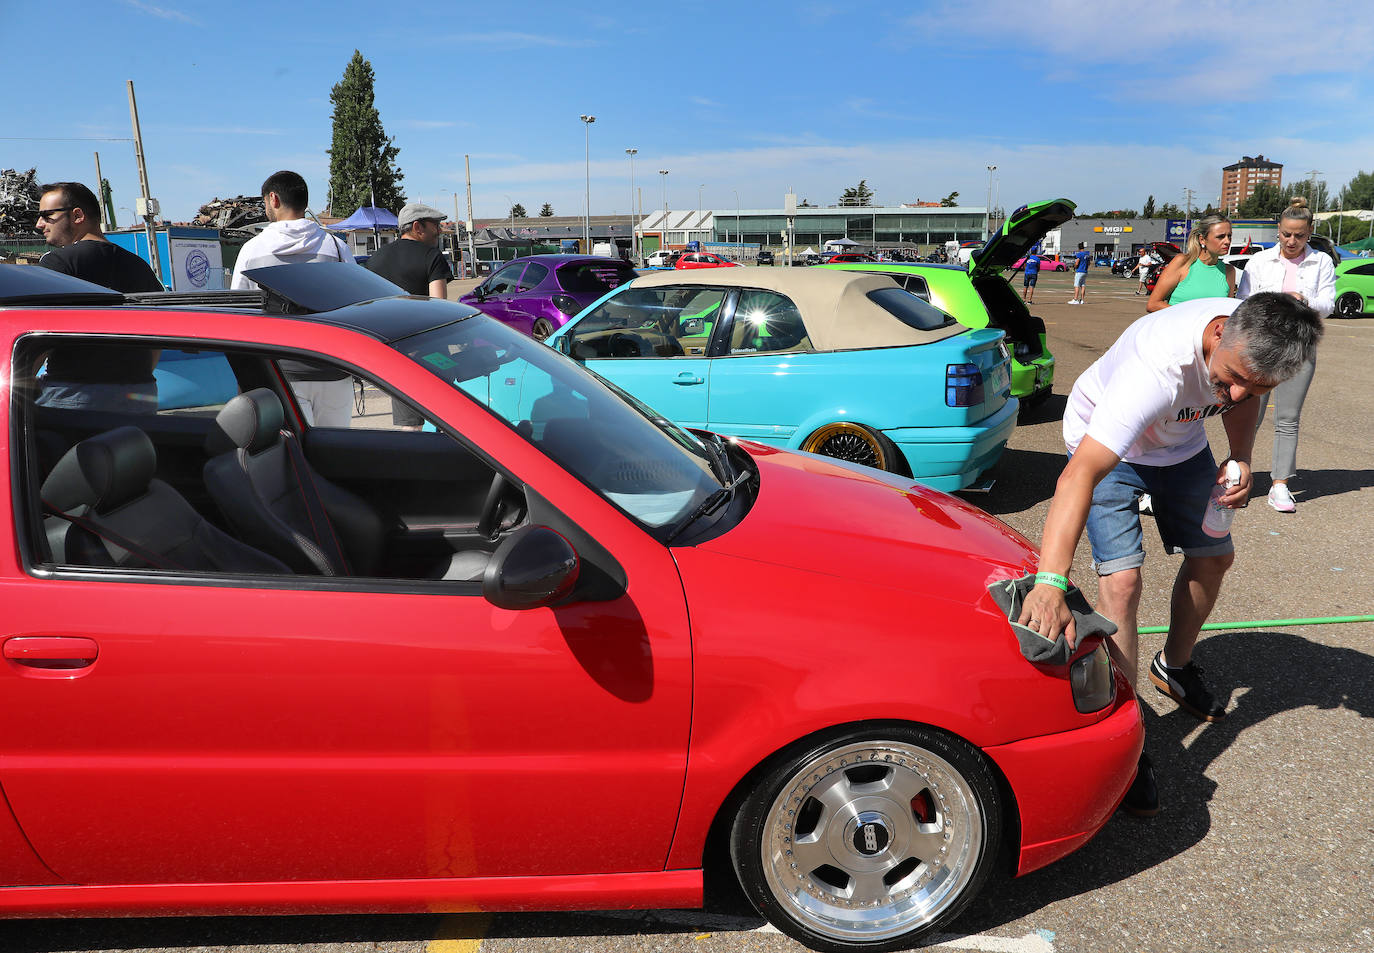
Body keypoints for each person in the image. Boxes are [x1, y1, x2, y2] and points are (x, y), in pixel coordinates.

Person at [1017, 292, 1322, 816]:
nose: (1235, 393)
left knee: (1214, 556)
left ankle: (1173, 666)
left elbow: (1246, 394)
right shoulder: (1155, 369)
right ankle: (1125, 736)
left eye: (1257, 386)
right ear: (1218, 331)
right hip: (1109, 443)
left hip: (1180, 447)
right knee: (1123, 582)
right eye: (1229, 377)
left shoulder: (1254, 347)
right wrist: (1050, 581)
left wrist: (1242, 456)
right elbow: (1079, 475)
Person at [230, 171, 358, 428]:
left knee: (294, 455)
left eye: (264, 202)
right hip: (333, 369)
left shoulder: (252, 250)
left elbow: (240, 315)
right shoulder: (335, 247)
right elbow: (355, 307)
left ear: (273, 199)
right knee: (336, 453)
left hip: (281, 372)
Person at [1236, 198, 1335, 513]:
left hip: (1301, 347)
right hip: (1262, 347)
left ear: (1309, 233)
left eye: (1300, 236)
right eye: (1287, 234)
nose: (1292, 242)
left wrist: (1303, 299)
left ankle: (1280, 485)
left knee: (1288, 419)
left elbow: (1328, 305)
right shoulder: (1259, 262)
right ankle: (1238, 474)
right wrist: (1278, 299)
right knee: (1248, 415)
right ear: (1278, 231)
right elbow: (1243, 302)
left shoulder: (1321, 262)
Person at [34, 181, 164, 412]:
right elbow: (158, 335)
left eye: (47, 215)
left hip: (72, 395)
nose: (39, 224)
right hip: (139, 395)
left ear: (77, 215)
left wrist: (16, 386)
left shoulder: (56, 264)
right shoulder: (139, 266)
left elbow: (37, 337)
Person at [364, 202, 453, 429]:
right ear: (417, 227)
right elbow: (439, 309)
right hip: (431, 351)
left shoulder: (375, 260)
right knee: (447, 422)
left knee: (410, 427)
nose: (440, 230)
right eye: (435, 225)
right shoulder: (432, 256)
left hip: (395, 351)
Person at [1147, 214, 1237, 311]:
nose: (1227, 241)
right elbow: (1153, 304)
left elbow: (1228, 311)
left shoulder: (1229, 271)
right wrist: (1192, 317)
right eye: (1221, 237)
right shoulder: (1182, 262)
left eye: (1229, 236)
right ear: (1202, 240)